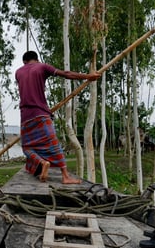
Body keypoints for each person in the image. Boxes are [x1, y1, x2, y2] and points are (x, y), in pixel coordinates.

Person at [15, 51, 101, 184]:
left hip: (25, 117)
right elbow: (66, 74)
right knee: (54, 145)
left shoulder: (18, 72)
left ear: (24, 62)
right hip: (41, 114)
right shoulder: (42, 66)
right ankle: (65, 176)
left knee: (27, 148)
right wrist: (89, 76)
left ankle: (42, 162)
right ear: (36, 59)